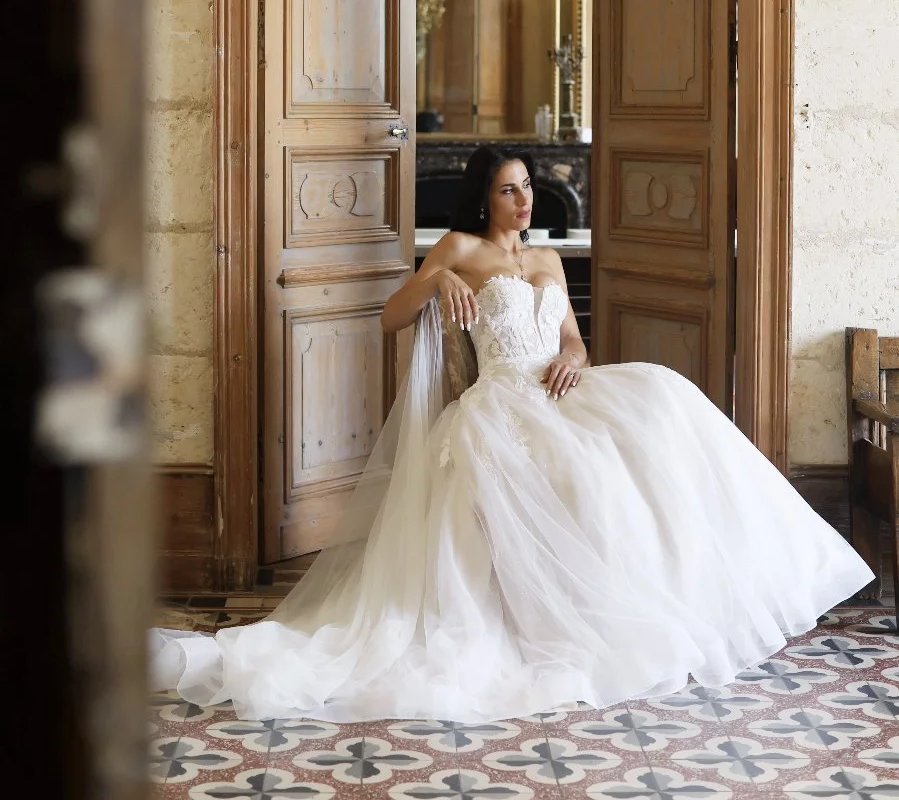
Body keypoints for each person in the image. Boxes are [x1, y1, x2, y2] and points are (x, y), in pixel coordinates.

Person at [153, 145, 871, 724]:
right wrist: (435, 283)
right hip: (500, 401)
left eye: (526, 186)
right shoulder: (459, 248)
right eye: (507, 189)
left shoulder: (548, 259)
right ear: (483, 198)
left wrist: (570, 356)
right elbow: (388, 318)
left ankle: (666, 600)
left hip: (557, 388)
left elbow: (573, 341)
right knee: (557, 468)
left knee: (661, 400)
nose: (523, 199)